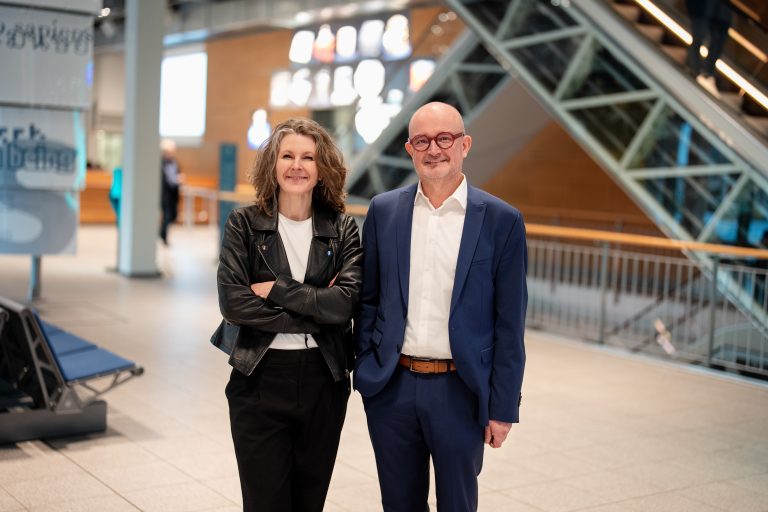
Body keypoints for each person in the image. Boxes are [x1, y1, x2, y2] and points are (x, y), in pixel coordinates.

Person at [354, 102, 528, 511]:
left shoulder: (502, 220)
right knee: (398, 503)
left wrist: (502, 408)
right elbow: (368, 299)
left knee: (457, 504)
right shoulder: (384, 211)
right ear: (409, 148)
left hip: (461, 391)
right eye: (422, 140)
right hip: (392, 387)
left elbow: (509, 324)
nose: (434, 149)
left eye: (444, 138)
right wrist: (366, 366)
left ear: (464, 144)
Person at [217, 118, 362, 512]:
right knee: (265, 503)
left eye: (308, 157)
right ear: (273, 164)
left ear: (322, 169)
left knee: (309, 502)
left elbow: (346, 304)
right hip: (260, 378)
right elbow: (233, 303)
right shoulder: (244, 225)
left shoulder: (342, 227)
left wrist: (279, 291)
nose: (297, 166)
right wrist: (317, 309)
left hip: (323, 380)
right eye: (287, 155)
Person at [685, 0, 733, 98]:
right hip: (704, 6)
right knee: (699, 36)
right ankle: (695, 71)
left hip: (719, 8)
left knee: (717, 37)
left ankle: (705, 74)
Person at [160, 139, 181, 245]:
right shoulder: (160, 163)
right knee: (167, 215)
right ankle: (163, 235)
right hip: (165, 195)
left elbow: (176, 176)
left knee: (173, 215)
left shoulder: (175, 163)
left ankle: (161, 232)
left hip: (174, 194)